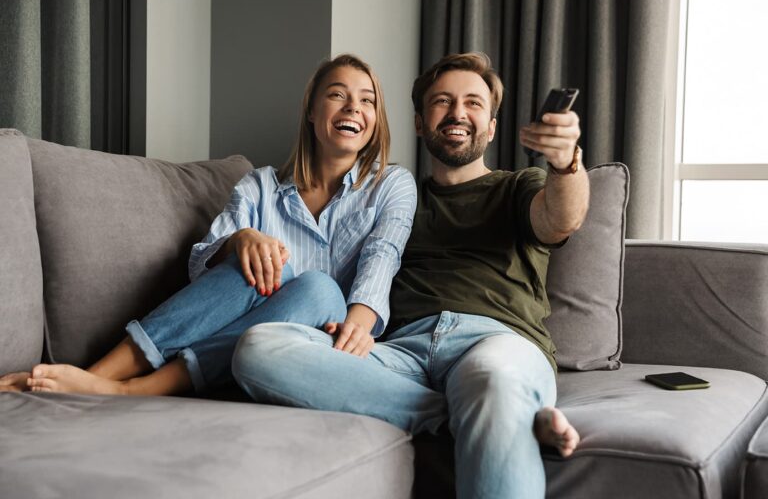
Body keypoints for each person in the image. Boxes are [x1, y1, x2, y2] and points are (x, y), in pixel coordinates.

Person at [228, 52, 588, 498]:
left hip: (495, 343)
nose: (458, 113)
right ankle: (485, 415)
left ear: (492, 126)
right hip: (401, 356)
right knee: (259, 347)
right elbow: (340, 268)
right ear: (419, 122)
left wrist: (565, 162)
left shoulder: (518, 187)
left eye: (473, 103)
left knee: (492, 380)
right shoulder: (391, 197)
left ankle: (500, 404)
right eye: (443, 101)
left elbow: (560, 219)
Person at [0, 54, 417, 397]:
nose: (353, 108)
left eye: (367, 101)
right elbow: (200, 269)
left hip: (314, 342)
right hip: (235, 341)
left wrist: (358, 329)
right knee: (262, 258)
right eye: (338, 95)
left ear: (375, 120)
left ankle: (137, 391)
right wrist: (240, 240)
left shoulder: (392, 185)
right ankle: (96, 376)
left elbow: (383, 256)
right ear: (312, 111)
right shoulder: (260, 185)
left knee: (318, 287)